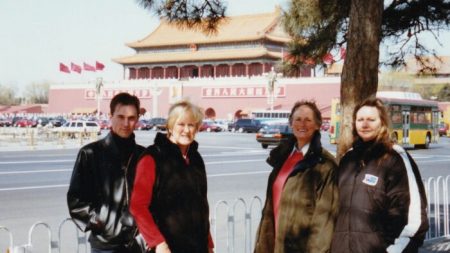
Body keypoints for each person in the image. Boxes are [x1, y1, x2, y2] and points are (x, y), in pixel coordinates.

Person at [331, 98, 429, 253]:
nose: (364, 124)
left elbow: (414, 221)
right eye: (360, 119)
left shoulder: (395, 158)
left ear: (382, 123)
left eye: (371, 119)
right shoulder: (347, 159)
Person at [254, 100, 339, 253]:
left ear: (317, 125)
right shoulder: (282, 157)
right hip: (274, 242)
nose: (302, 124)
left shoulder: (325, 164)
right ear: (291, 123)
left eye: (308, 120)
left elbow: (324, 223)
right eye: (298, 119)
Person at [130, 100, 214, 253]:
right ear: (170, 125)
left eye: (191, 125)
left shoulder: (196, 159)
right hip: (167, 247)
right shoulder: (153, 157)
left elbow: (202, 205)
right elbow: (137, 206)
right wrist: (158, 243)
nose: (186, 130)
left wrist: (209, 243)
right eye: (181, 124)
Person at [67, 92, 145, 253]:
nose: (126, 123)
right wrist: (101, 222)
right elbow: (76, 201)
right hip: (105, 245)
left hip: (139, 243)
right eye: (120, 116)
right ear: (111, 116)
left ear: (137, 119)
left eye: (131, 118)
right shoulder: (90, 154)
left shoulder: (144, 156)